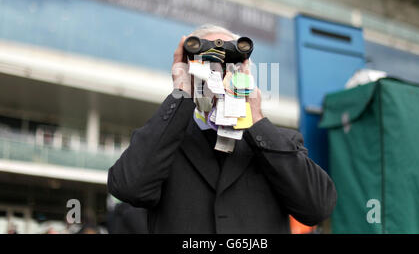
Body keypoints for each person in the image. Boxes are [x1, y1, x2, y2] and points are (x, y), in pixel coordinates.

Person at [107, 24, 337, 233]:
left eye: (230, 61)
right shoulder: (165, 141)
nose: (217, 70)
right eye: (206, 63)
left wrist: (255, 117)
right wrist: (182, 91)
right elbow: (128, 187)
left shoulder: (277, 143)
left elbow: (317, 207)